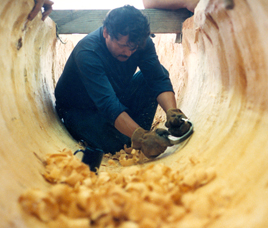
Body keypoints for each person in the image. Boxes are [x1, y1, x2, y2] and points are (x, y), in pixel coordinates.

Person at [54, 5, 190, 158]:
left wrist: (172, 112)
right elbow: (107, 103)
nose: (128, 53)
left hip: (116, 97)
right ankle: (141, 137)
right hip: (81, 111)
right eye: (123, 46)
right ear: (106, 32)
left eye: (133, 48)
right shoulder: (88, 52)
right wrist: (143, 138)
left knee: (157, 74)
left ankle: (139, 134)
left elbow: (157, 78)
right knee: (122, 145)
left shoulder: (140, 43)